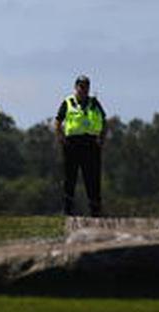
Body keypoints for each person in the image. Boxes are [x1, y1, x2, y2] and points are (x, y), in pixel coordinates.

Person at [54, 74, 106, 216]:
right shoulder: (68, 102)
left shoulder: (94, 103)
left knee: (92, 177)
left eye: (86, 87)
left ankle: (95, 209)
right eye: (81, 86)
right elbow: (58, 120)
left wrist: (101, 139)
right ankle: (67, 209)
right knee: (69, 177)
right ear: (76, 87)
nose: (84, 89)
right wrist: (60, 137)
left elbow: (104, 120)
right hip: (72, 144)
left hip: (90, 143)